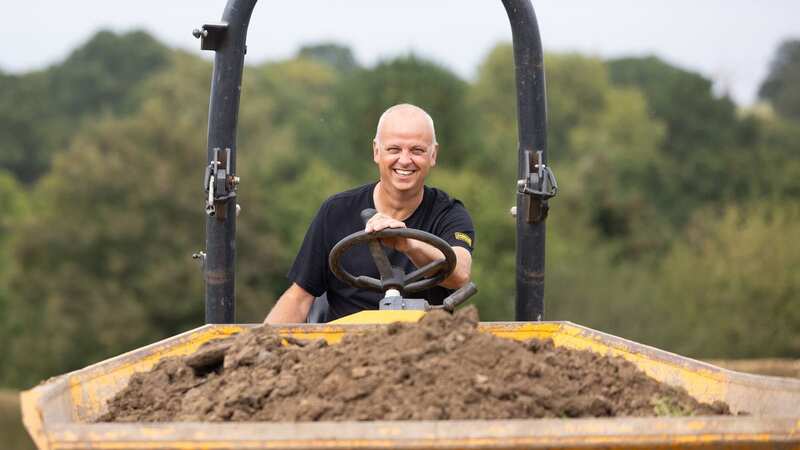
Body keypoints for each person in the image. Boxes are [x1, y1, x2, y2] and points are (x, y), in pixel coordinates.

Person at [263, 104, 474, 323]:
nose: (404, 159)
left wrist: (408, 243)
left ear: (433, 155)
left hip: (423, 347)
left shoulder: (449, 213)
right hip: (344, 347)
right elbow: (298, 298)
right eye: (394, 149)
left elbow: (459, 274)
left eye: (417, 150)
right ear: (376, 151)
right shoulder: (336, 211)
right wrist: (258, 347)